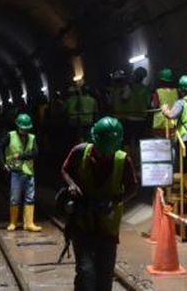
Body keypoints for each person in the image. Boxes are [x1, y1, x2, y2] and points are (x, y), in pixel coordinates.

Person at [61, 116, 138, 291]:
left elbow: (133, 188)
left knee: (104, 277)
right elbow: (65, 170)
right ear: (94, 140)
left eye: (109, 151)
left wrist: (115, 201)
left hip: (107, 228)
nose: (106, 154)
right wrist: (72, 185)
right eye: (102, 150)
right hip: (82, 223)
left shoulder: (123, 160)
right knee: (86, 272)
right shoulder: (80, 152)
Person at [0, 113, 42, 231]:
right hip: (15, 171)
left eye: (26, 129)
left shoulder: (32, 138)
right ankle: (13, 222)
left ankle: (29, 223)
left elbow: (35, 153)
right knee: (15, 198)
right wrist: (3, 164)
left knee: (30, 197)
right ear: (18, 126)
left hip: (29, 172)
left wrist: (21, 156)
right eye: (22, 128)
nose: (24, 131)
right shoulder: (10, 136)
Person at [150, 67, 179, 138]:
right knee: (172, 144)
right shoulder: (176, 91)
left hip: (160, 124)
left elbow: (154, 105)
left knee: (161, 145)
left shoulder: (158, 91)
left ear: (161, 80)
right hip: (173, 122)